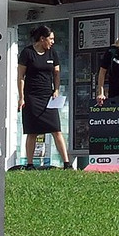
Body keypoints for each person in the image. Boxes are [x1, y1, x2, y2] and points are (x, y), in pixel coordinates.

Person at [17, 24, 72, 169]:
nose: (53, 42)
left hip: (48, 97)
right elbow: (21, 76)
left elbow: (57, 73)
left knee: (56, 129)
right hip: (32, 96)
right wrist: (21, 97)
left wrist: (57, 89)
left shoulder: (52, 53)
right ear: (42, 39)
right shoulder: (27, 53)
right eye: (51, 39)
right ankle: (29, 164)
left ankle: (66, 163)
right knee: (32, 131)